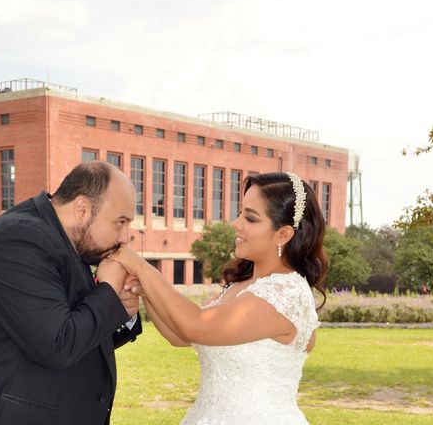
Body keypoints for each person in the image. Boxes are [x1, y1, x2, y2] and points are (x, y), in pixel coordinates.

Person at [0, 161, 142, 425]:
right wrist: (107, 291)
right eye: (120, 222)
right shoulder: (17, 240)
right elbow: (58, 343)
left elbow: (77, 333)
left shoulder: (68, 244)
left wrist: (122, 310)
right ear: (82, 208)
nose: (124, 237)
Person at [108, 172, 328, 424]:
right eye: (240, 213)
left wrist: (140, 266)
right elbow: (180, 335)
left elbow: (196, 325)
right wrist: (147, 291)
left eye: (250, 218)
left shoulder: (284, 293)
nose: (236, 223)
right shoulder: (240, 286)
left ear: (283, 234)